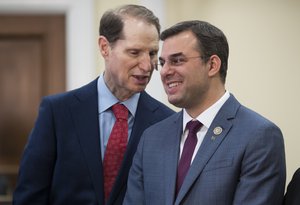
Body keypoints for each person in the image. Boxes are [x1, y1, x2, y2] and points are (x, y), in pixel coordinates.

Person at [13, 4, 174, 205]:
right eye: (134, 52)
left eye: (152, 53)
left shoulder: (168, 122)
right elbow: (30, 196)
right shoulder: (58, 112)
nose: (147, 65)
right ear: (105, 47)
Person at [123, 20, 286, 205]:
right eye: (162, 63)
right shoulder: (151, 138)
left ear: (212, 65)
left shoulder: (258, 136)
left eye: (177, 60)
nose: (165, 71)